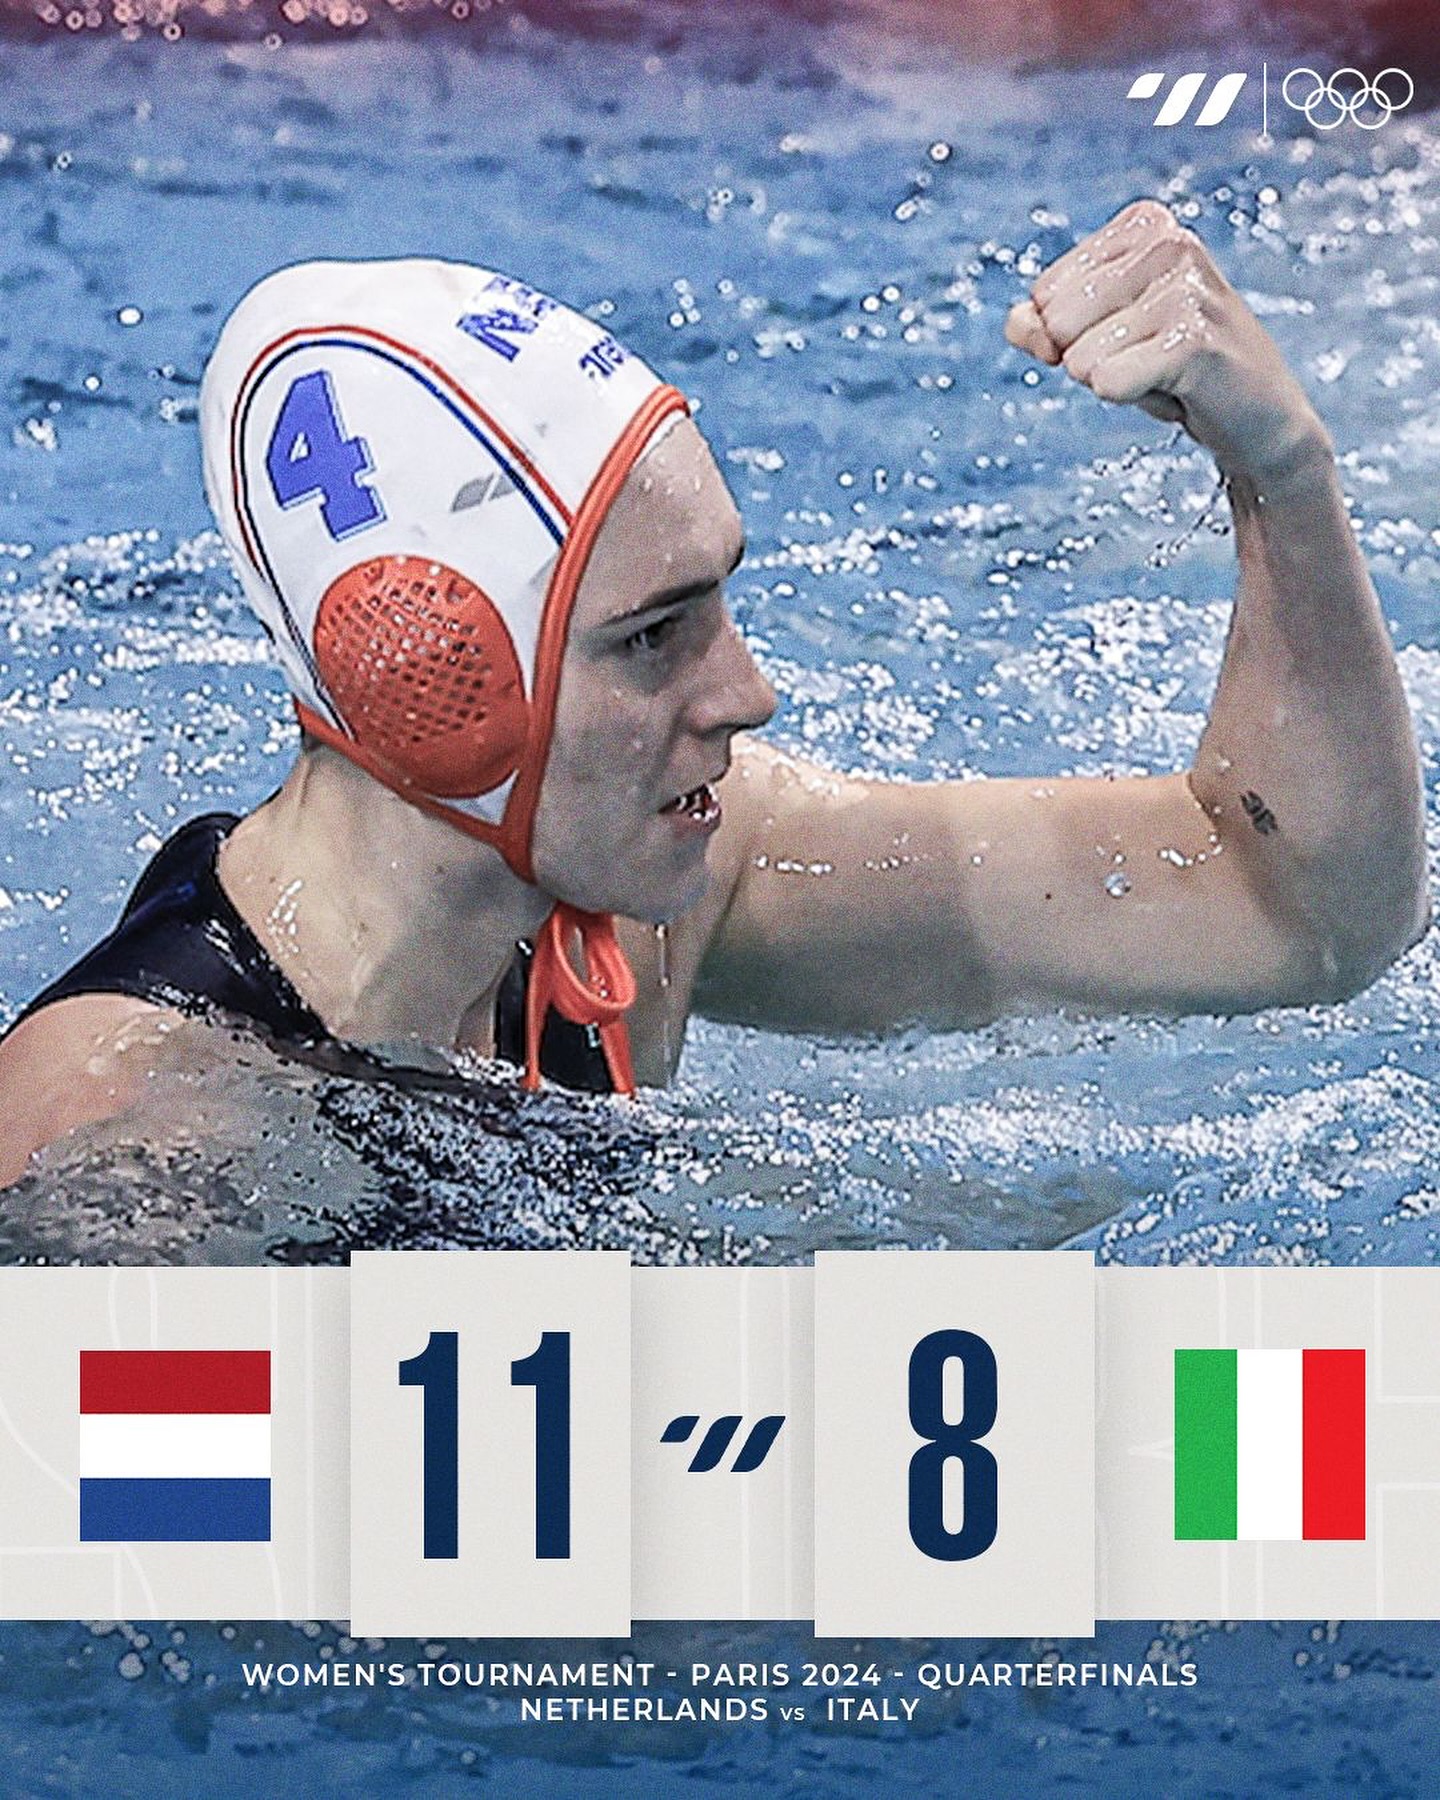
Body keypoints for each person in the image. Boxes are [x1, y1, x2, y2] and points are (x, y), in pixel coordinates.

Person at [0, 200, 1427, 1188]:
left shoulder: (655, 903)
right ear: (427, 679)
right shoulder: (136, 1144)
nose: (748, 693)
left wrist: (1284, 473)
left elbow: (1290, 912)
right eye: (653, 637)